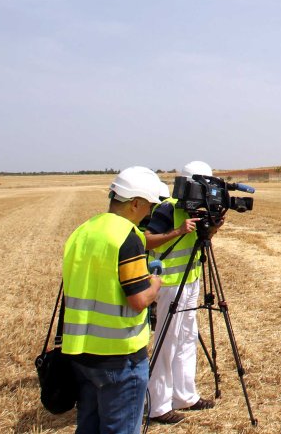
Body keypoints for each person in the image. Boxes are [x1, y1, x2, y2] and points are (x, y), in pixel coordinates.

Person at [61, 166, 169, 434]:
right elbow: (139, 299)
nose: (151, 213)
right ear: (135, 203)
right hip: (120, 356)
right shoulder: (127, 237)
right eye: (149, 206)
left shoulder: (83, 231)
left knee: (88, 425)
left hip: (81, 353)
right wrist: (155, 283)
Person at [143, 160, 221, 425]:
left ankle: (185, 396)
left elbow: (204, 238)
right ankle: (159, 405)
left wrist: (215, 225)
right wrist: (178, 230)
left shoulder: (202, 208)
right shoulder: (166, 209)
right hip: (170, 283)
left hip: (191, 280)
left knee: (187, 338)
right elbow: (146, 239)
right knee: (167, 341)